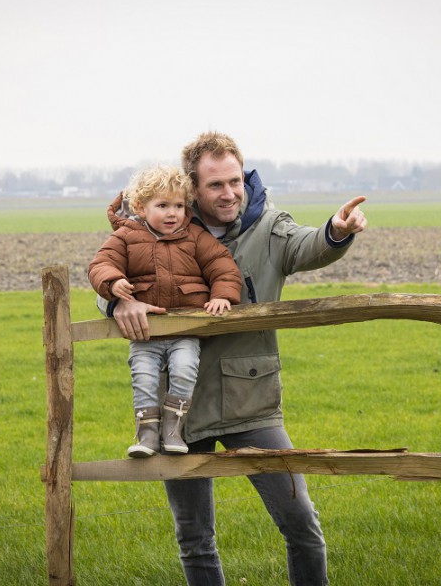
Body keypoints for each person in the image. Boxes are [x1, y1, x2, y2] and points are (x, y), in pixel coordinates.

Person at [98, 132, 366, 585]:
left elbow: (308, 246)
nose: (230, 193)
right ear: (193, 189)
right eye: (216, 185)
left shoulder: (270, 226)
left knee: (301, 524)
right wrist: (117, 302)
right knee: (194, 538)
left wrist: (336, 230)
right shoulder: (157, 229)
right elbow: (112, 273)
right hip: (180, 411)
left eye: (235, 181)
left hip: (252, 400)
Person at [89, 165, 242, 457]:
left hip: (185, 331)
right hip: (145, 334)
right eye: (162, 206)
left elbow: (223, 266)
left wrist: (222, 296)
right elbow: (101, 264)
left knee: (184, 371)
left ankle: (173, 430)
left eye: (179, 206)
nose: (173, 213)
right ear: (140, 208)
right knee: (144, 379)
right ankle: (146, 435)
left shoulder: (195, 237)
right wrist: (114, 283)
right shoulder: (125, 237)